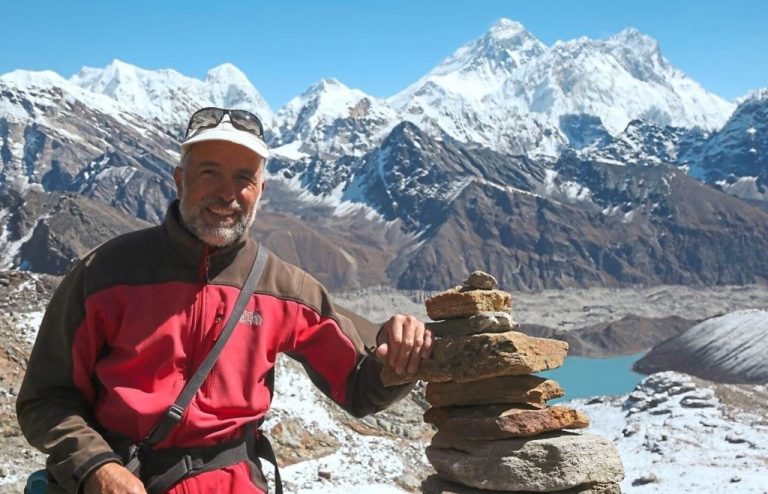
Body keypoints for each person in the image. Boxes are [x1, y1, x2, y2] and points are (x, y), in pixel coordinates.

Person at [16, 107, 433, 494]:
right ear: (180, 180)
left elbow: (359, 387)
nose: (227, 194)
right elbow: (45, 399)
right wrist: (96, 468)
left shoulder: (283, 287)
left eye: (243, 179)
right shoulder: (104, 274)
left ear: (261, 190)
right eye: (209, 174)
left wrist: (399, 354)